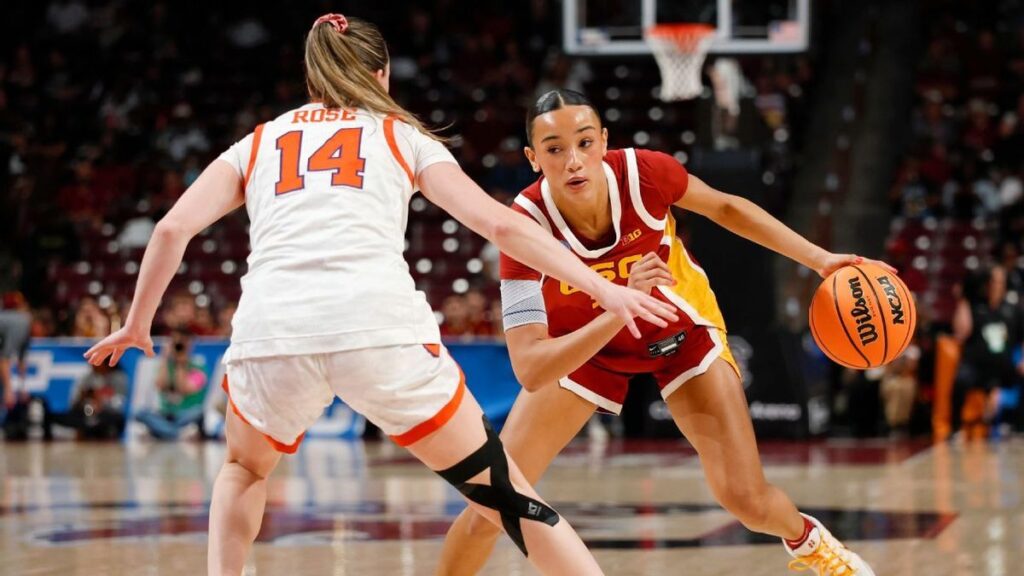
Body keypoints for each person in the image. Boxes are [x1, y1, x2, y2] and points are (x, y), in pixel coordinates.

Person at [84, 15, 678, 576]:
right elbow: (500, 224)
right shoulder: (400, 134)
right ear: (381, 75)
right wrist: (604, 287)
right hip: (377, 330)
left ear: (312, 76)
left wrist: (139, 324)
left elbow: (170, 230)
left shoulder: (260, 141)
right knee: (504, 493)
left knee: (242, 469)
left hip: (273, 332)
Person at [437, 89, 886, 576]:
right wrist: (617, 307)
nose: (573, 161)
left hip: (680, 329)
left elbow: (727, 208)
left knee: (746, 499)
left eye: (585, 143)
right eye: (554, 149)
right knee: (491, 502)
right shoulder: (520, 229)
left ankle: (811, 542)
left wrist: (820, 260)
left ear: (604, 141)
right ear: (532, 158)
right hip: (587, 347)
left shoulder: (645, 174)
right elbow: (529, 368)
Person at [133, 328, 208, 440]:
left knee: (199, 413)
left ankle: (162, 432)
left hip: (186, 414)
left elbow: (183, 389)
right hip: (166, 414)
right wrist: (164, 358)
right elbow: (160, 385)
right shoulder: (166, 366)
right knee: (140, 413)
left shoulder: (199, 368)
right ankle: (177, 434)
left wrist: (180, 364)